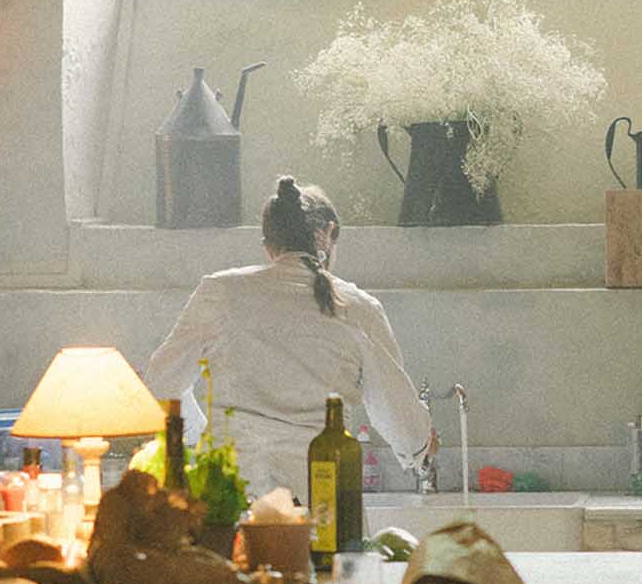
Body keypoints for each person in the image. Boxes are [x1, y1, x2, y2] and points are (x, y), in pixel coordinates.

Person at [143, 175, 436, 504]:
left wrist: (202, 432)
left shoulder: (220, 292)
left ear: (268, 246)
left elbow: (160, 383)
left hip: (232, 499)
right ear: (326, 234)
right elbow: (401, 417)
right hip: (323, 503)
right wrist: (421, 446)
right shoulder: (359, 308)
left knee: (234, 557)